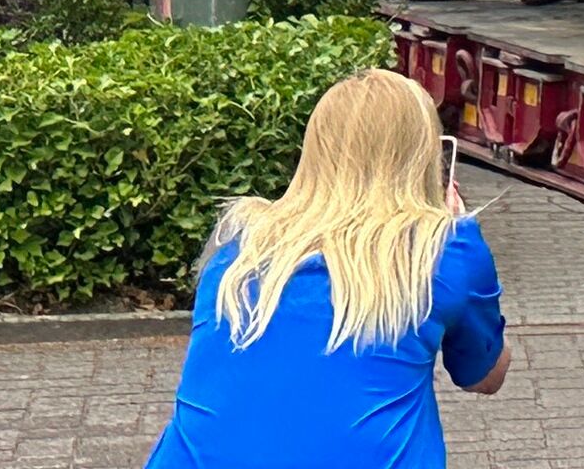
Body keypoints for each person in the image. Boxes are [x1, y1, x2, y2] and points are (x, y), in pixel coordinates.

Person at [147, 67, 511, 469]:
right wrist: (450, 234)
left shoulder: (237, 246)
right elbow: (484, 376)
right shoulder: (445, 249)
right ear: (425, 157)